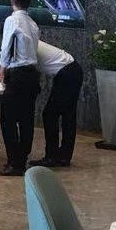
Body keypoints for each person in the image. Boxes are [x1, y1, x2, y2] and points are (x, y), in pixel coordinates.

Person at [0, 0, 40, 177]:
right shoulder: (33, 24)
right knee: (26, 120)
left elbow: (6, 48)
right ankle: (22, 159)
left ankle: (14, 162)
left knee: (8, 119)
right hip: (32, 76)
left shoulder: (12, 20)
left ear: (13, 1)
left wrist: (1, 70)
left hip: (17, 76)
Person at [28, 40, 83, 169]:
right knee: (67, 115)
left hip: (66, 73)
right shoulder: (30, 39)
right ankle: (64, 156)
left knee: (50, 114)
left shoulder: (25, 44)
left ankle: (51, 156)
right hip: (72, 69)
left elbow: (27, 69)